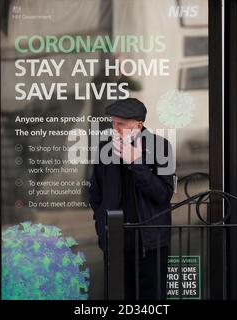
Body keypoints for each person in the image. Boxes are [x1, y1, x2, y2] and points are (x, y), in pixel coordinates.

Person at [88, 98, 175, 300]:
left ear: (139, 124)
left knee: (151, 300)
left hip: (150, 242)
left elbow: (163, 194)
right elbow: (95, 194)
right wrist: (102, 227)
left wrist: (136, 162)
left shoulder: (160, 147)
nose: (115, 128)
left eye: (121, 124)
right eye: (113, 123)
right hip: (115, 240)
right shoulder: (104, 148)